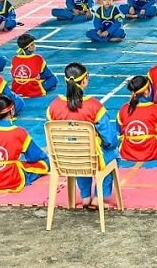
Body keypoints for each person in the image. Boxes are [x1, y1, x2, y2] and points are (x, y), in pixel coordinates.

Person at [47, 62, 119, 208]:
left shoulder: (53, 106)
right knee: (112, 155)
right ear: (85, 80)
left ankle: (85, 196)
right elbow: (110, 139)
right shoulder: (94, 106)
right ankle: (99, 197)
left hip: (64, 158)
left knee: (77, 151)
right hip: (90, 157)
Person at [0, 95, 49, 192]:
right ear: (11, 110)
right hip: (11, 177)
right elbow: (35, 155)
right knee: (45, 163)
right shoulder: (19, 132)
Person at [116, 75, 157, 161]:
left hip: (127, 152)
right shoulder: (154, 109)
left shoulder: (123, 109)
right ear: (147, 91)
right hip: (152, 152)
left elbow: (119, 130)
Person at [10, 33, 58, 97]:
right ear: (29, 47)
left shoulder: (15, 58)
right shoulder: (37, 58)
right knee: (53, 79)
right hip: (33, 89)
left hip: (17, 89)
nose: (35, 45)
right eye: (33, 44)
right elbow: (48, 75)